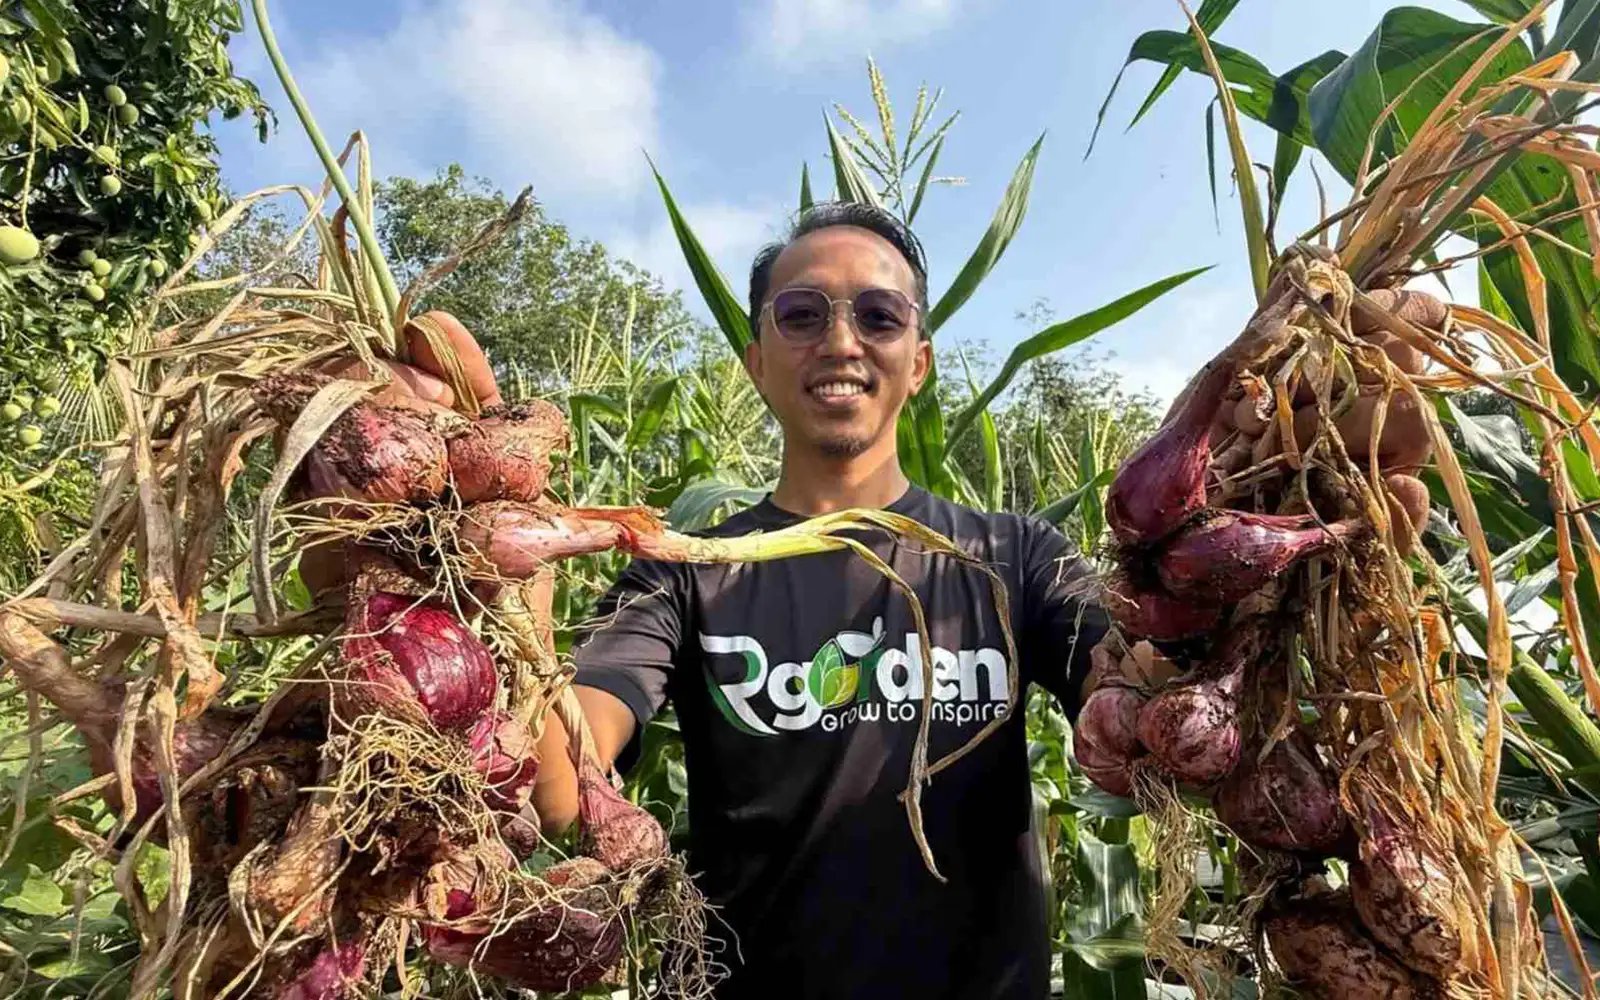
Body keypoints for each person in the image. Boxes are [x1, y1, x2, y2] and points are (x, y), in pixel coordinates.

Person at [364, 201, 1437, 999]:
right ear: (757, 360)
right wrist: (500, 575)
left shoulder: (1015, 558)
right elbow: (563, 789)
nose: (841, 339)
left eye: (878, 315)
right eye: (802, 313)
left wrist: (1280, 503)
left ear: (917, 361)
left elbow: (1157, 701)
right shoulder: (682, 568)